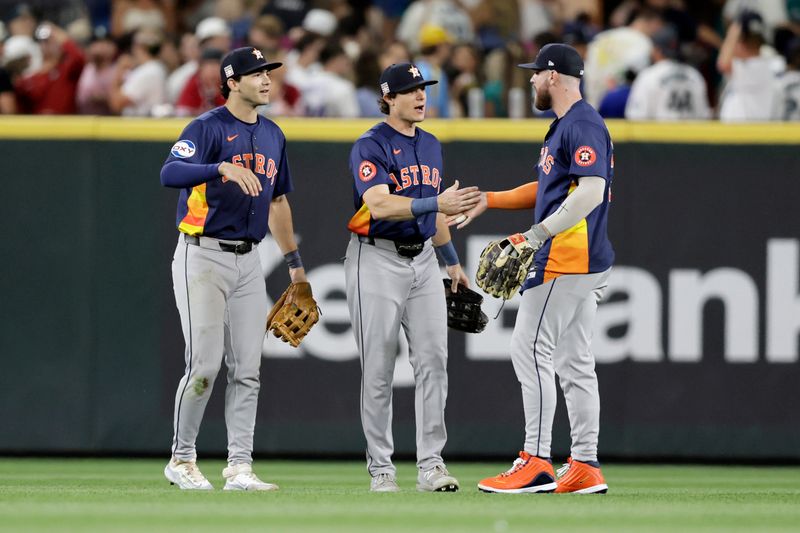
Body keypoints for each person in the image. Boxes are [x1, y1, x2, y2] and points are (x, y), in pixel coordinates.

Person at [453, 44, 614, 494]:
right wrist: (492, 199)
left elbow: (590, 192)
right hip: (584, 260)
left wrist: (538, 235)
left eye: (535, 74)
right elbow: (550, 187)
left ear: (554, 77)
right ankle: (584, 464)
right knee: (574, 360)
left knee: (530, 350)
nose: (530, 81)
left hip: (567, 257)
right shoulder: (567, 125)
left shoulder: (580, 123)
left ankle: (536, 460)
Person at [160, 46, 308, 491]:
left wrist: (294, 265)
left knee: (247, 368)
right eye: (256, 73)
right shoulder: (206, 127)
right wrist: (217, 167)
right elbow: (170, 172)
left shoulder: (273, 134)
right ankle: (182, 459)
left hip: (250, 260)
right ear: (232, 82)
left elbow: (278, 201)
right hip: (201, 253)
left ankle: (239, 466)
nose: (266, 79)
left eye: (268, 72)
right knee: (204, 365)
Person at [344, 62, 480, 493]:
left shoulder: (432, 144)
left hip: (423, 260)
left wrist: (451, 260)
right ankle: (382, 469)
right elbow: (380, 206)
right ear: (389, 97)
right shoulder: (370, 145)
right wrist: (437, 202)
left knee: (434, 361)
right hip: (376, 258)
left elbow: (434, 209)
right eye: (410, 90)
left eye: (423, 88)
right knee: (380, 367)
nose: (421, 96)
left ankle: (432, 465)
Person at [625, 26, 711, 120]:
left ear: (657, 50)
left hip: (657, 134)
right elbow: (704, 115)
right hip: (692, 133)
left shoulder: (648, 75)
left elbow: (636, 116)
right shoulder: (694, 75)